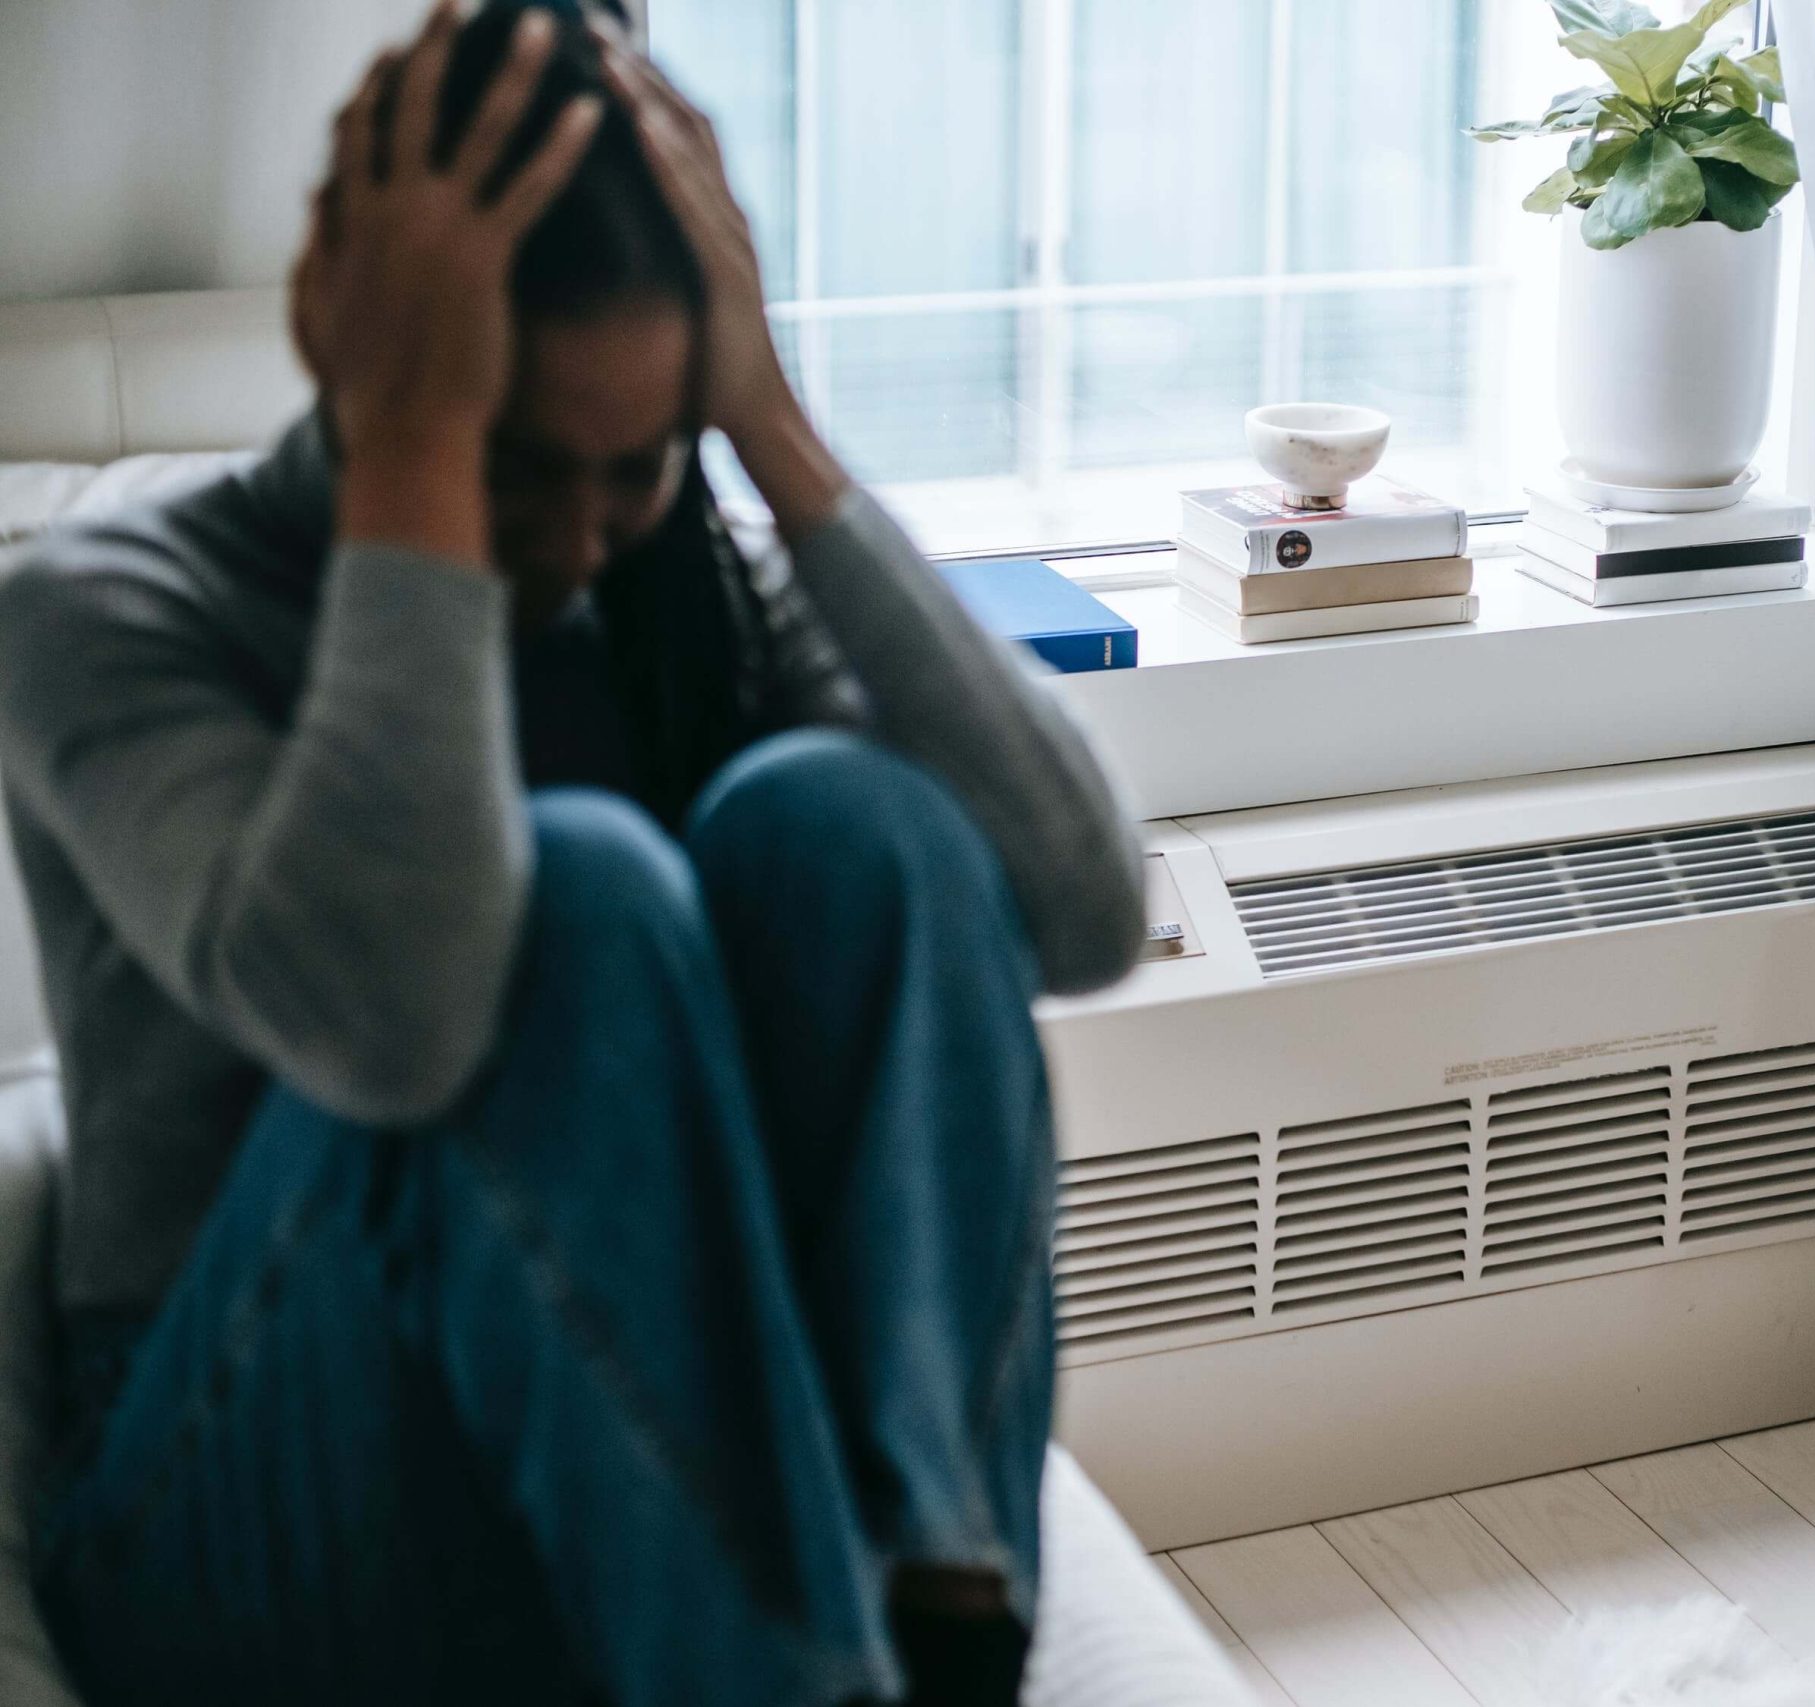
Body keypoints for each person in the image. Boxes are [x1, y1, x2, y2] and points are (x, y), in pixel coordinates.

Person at [0, 3, 1144, 1703]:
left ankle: (940, 1622)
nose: (580, 539)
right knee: (585, 888)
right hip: (230, 1496)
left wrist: (773, 433)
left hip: (619, 1455)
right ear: (361, 337)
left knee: (856, 822)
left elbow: (1082, 908)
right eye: (518, 464)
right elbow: (395, 1019)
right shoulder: (110, 608)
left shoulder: (686, 594)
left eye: (639, 467)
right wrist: (412, 462)